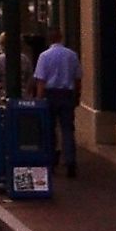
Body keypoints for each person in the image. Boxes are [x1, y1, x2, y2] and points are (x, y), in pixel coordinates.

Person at [32, 27, 82, 178]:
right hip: (66, 94)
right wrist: (77, 95)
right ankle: (70, 161)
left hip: (50, 94)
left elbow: (41, 80)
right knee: (67, 129)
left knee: (49, 128)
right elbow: (77, 78)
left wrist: (39, 100)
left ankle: (52, 159)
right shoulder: (72, 55)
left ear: (49, 39)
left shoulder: (44, 56)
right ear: (61, 38)